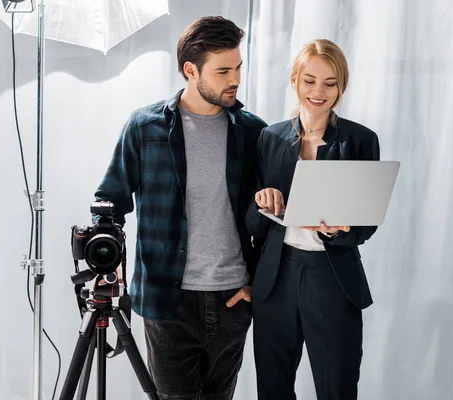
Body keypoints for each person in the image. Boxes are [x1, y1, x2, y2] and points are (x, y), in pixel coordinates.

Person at [94, 16, 267, 400]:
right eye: (223, 70)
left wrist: (259, 280)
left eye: (238, 67)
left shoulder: (254, 132)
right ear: (191, 70)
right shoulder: (144, 127)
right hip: (166, 300)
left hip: (233, 298)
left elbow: (271, 218)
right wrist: (111, 263)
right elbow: (110, 200)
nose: (235, 79)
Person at [246, 39, 380, 400]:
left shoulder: (361, 141)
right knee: (272, 389)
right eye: (309, 80)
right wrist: (263, 204)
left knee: (336, 388)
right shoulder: (269, 137)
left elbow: (366, 225)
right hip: (276, 278)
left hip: (332, 279)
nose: (318, 91)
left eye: (330, 83)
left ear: (341, 86)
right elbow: (251, 223)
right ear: (294, 81)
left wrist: (342, 229)